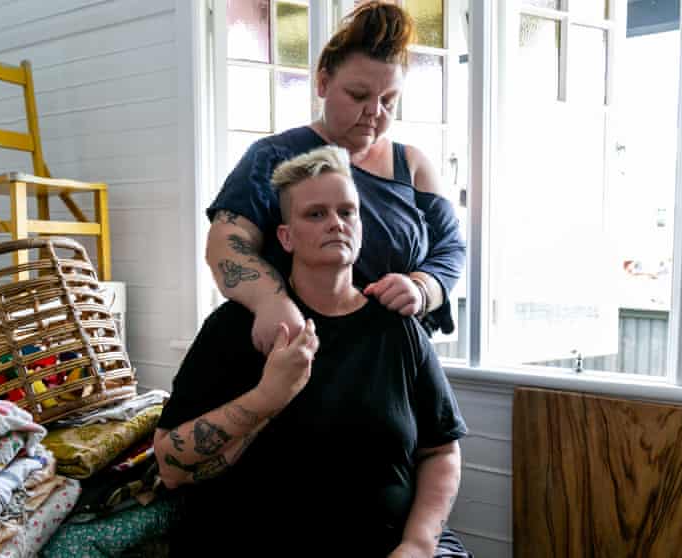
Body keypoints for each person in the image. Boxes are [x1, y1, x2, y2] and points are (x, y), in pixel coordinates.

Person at [155, 146, 470, 557]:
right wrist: (267, 397)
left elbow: (441, 450)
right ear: (285, 236)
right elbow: (170, 464)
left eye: (347, 212)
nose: (336, 223)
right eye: (316, 214)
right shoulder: (237, 327)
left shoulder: (398, 329)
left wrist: (418, 542)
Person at [207, 1, 466, 354]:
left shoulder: (413, 165)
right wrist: (271, 301)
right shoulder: (272, 157)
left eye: (389, 100)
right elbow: (226, 243)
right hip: (297, 351)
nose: (375, 112)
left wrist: (422, 288)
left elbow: (450, 248)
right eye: (358, 95)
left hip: (393, 358)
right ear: (324, 82)